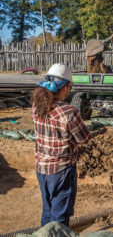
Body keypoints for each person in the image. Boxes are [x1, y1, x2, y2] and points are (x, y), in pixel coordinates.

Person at [30, 63, 91, 227]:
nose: (69, 91)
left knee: (48, 209)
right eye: (69, 87)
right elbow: (84, 139)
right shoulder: (68, 111)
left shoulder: (36, 106)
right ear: (63, 87)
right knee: (60, 215)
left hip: (41, 167)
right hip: (61, 170)